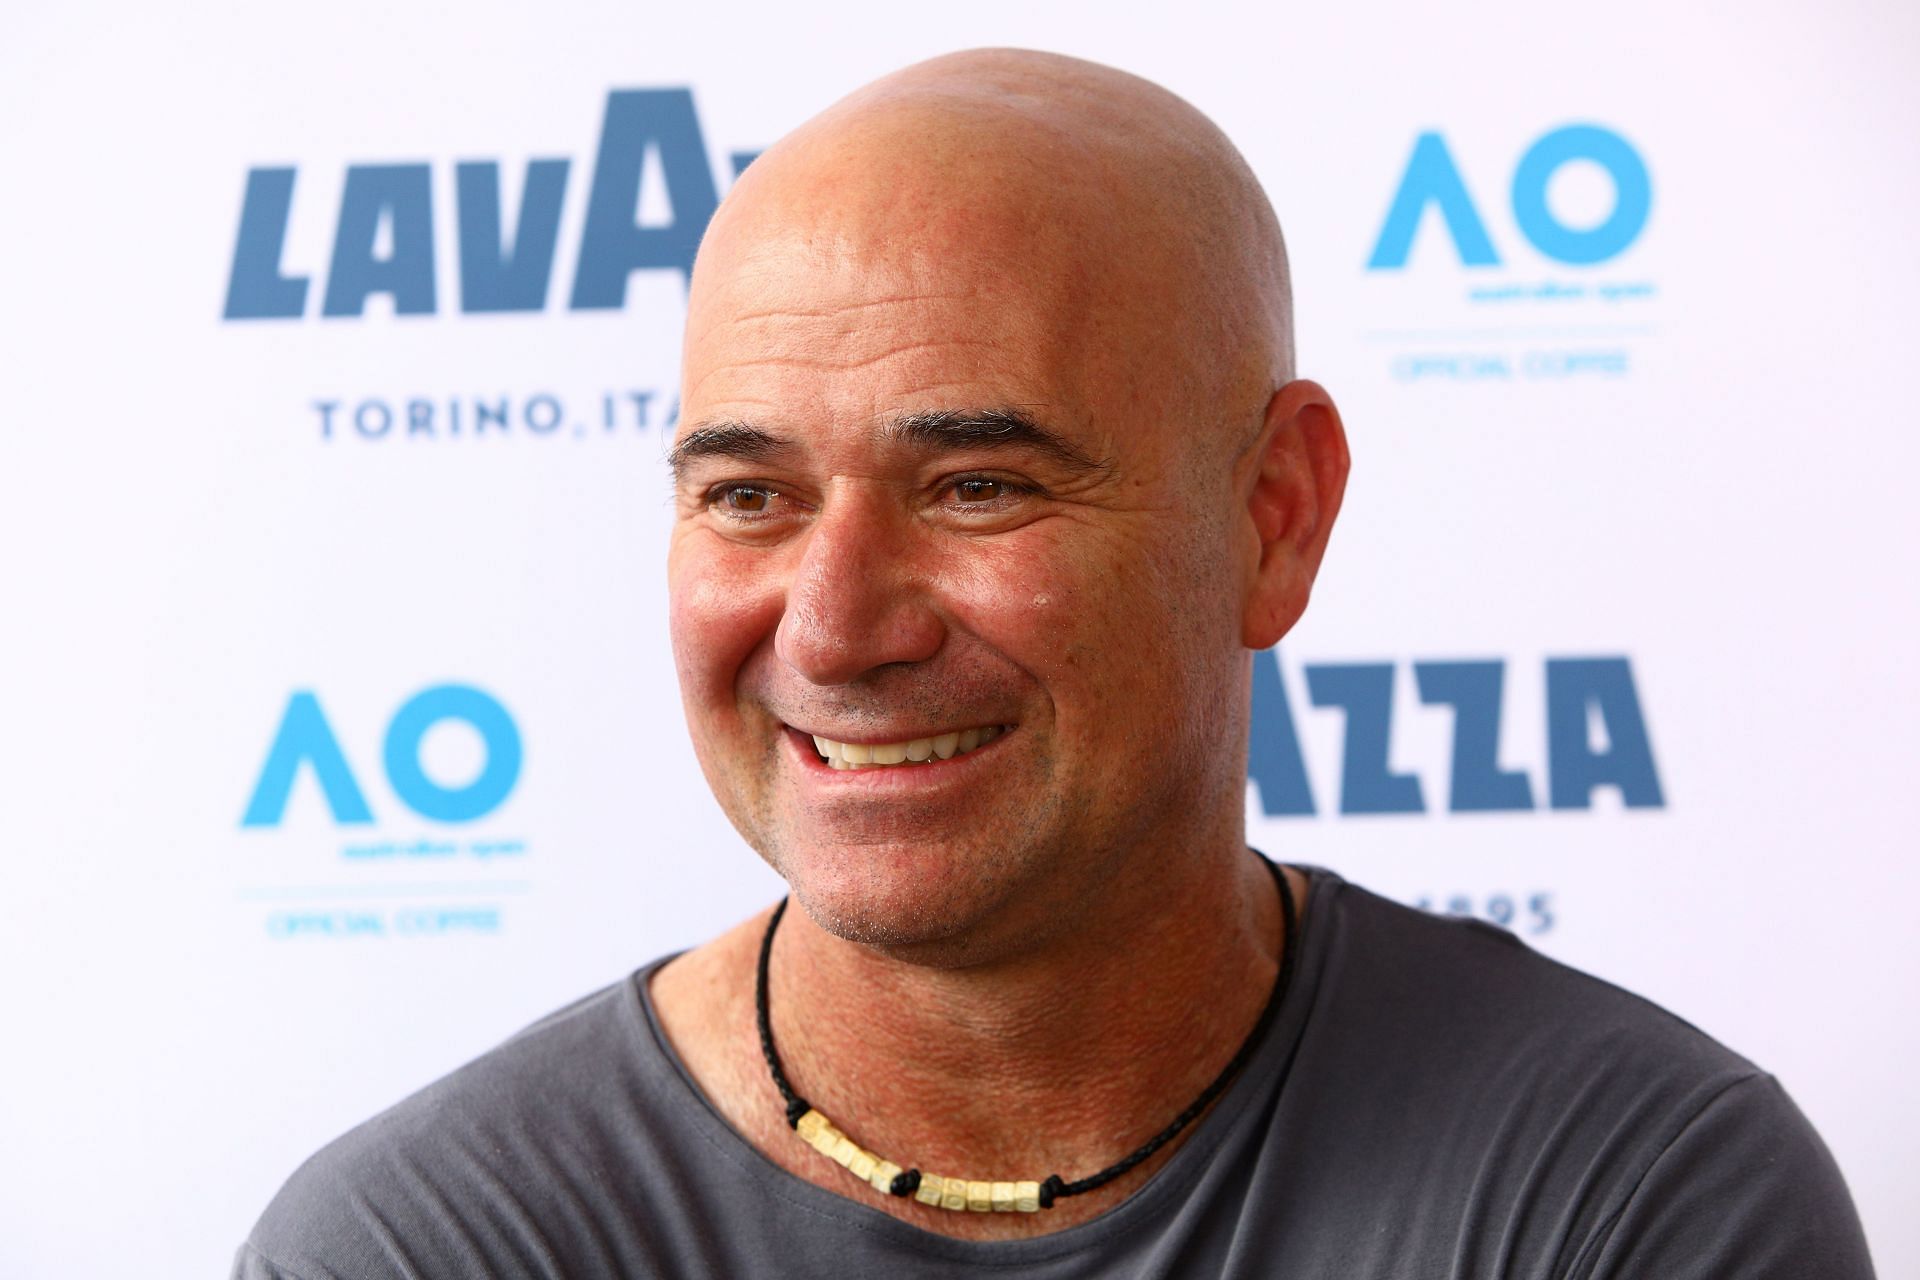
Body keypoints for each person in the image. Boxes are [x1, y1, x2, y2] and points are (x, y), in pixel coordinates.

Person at [235, 49, 1874, 1278]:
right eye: (752, 497)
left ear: (1275, 517)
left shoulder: (1623, 1194)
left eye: (977, 487)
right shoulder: (428, 1245)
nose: (831, 627)